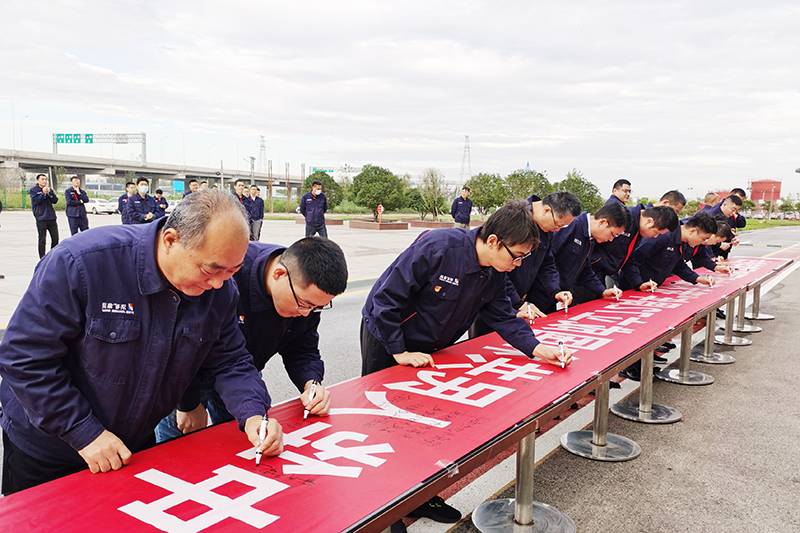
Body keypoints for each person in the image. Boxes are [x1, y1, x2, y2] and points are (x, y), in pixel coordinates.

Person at [0, 190, 283, 495]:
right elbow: (24, 357)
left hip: (132, 446)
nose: (217, 283)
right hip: (51, 450)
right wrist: (83, 432)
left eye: (232, 271)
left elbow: (230, 361)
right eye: (210, 269)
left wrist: (254, 414)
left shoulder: (221, 293)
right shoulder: (83, 263)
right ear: (171, 240)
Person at [361, 200, 574, 529]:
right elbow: (384, 299)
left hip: (432, 348)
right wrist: (397, 350)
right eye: (515, 256)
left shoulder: (494, 272)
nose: (518, 265)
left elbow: (502, 314)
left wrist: (537, 348)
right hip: (389, 340)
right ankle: (382, 511)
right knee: (388, 427)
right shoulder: (439, 248)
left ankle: (422, 495)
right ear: (493, 241)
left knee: (427, 424)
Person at [156, 237, 348, 443]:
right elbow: (180, 342)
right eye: (304, 304)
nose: (305, 313)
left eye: (316, 308)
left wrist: (311, 383)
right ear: (279, 274)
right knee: (172, 446)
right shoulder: (228, 274)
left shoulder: (306, 296)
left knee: (246, 439)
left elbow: (302, 349)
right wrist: (187, 403)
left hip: (240, 376)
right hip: (186, 373)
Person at [617, 212, 717, 381]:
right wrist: (638, 283)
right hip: (635, 288)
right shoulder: (663, 237)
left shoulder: (683, 243)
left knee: (649, 328)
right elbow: (632, 259)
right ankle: (629, 367)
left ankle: (643, 362)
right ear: (693, 231)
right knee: (635, 329)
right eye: (704, 238)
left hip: (651, 290)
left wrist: (697, 278)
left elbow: (678, 265)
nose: (704, 243)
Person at [469, 191, 582, 338]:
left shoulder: (545, 229)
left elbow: (546, 263)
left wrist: (555, 290)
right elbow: (495, 267)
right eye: (557, 225)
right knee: (483, 346)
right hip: (493, 300)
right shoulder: (512, 218)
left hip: (520, 301)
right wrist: (516, 302)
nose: (557, 230)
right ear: (547, 210)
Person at [528, 202, 631, 313]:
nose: (611, 240)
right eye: (612, 234)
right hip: (538, 294)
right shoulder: (571, 226)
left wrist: (603, 291)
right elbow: (544, 261)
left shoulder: (590, 239)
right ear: (602, 222)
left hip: (555, 297)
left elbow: (585, 272)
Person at [592, 205, 678, 284]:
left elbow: (628, 258)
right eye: (656, 232)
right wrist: (594, 260)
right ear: (649, 221)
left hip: (598, 275)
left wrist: (638, 283)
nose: (655, 236)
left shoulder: (638, 230)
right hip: (588, 273)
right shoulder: (624, 218)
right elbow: (594, 236)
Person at [30, 173, 60, 258]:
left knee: (55, 238)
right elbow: (36, 201)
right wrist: (43, 194)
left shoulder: (49, 189)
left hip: (51, 217)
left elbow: (55, 200)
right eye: (42, 179)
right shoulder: (34, 190)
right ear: (37, 180)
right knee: (42, 239)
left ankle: (53, 255)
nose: (44, 181)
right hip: (41, 218)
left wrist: (49, 193)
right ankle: (42, 257)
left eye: (45, 179)